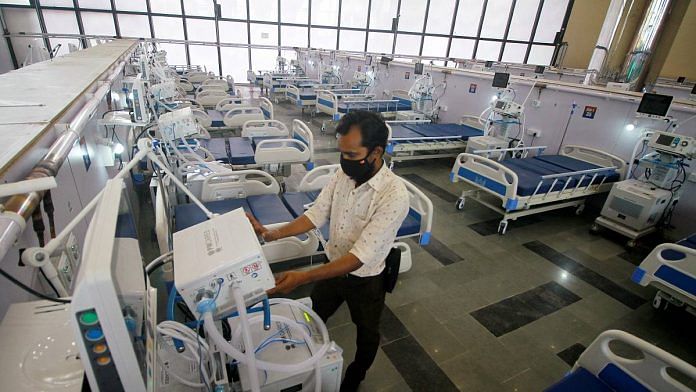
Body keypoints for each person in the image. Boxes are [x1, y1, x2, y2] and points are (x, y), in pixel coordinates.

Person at [247, 110, 409, 392]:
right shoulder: (342, 176)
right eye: (341, 153)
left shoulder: (393, 195)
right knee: (313, 314)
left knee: (367, 334)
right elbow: (316, 214)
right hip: (332, 266)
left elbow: (357, 258)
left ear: (376, 152)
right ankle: (305, 356)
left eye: (351, 155)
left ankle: (355, 376)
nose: (344, 162)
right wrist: (271, 233)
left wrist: (303, 276)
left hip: (367, 279)